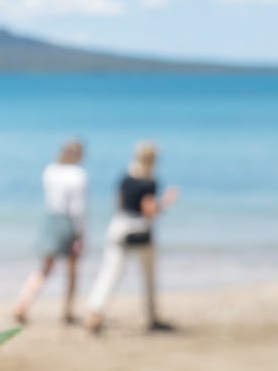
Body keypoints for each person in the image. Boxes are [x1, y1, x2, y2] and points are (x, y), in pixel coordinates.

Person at [85, 141, 180, 334]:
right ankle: (152, 317)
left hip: (119, 227)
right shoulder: (150, 182)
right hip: (141, 230)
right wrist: (167, 202)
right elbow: (149, 211)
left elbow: (118, 203)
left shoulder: (125, 178)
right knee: (149, 275)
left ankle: (95, 312)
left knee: (110, 273)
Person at [12, 139, 87, 326]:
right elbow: (78, 209)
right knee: (72, 269)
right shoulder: (78, 175)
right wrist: (81, 233)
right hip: (68, 221)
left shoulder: (50, 171)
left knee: (44, 267)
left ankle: (23, 303)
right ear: (78, 155)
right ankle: (68, 311)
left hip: (50, 220)